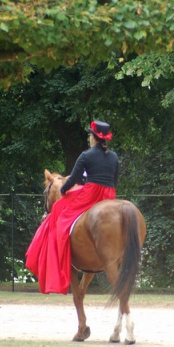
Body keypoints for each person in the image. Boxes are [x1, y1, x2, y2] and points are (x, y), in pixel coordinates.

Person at [26, 120, 119, 294]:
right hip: (109, 196)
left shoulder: (86, 155)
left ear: (94, 137)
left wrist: (62, 189)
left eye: (89, 135)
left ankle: (63, 257)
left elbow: (74, 179)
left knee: (61, 215)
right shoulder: (114, 156)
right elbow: (115, 181)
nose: (89, 138)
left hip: (91, 194)